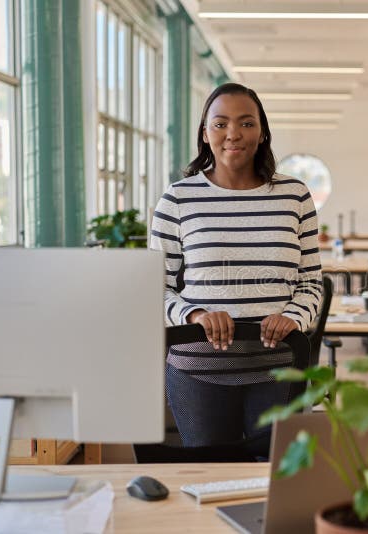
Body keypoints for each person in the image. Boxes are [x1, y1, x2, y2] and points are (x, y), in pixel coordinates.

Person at [150, 82, 322, 449]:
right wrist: (194, 314)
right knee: (207, 480)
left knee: (275, 481)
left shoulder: (295, 195)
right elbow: (153, 288)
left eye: (246, 123)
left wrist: (293, 317)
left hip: (278, 366)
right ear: (205, 132)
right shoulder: (178, 198)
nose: (233, 134)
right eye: (220, 123)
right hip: (199, 370)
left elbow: (310, 284)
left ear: (262, 133)